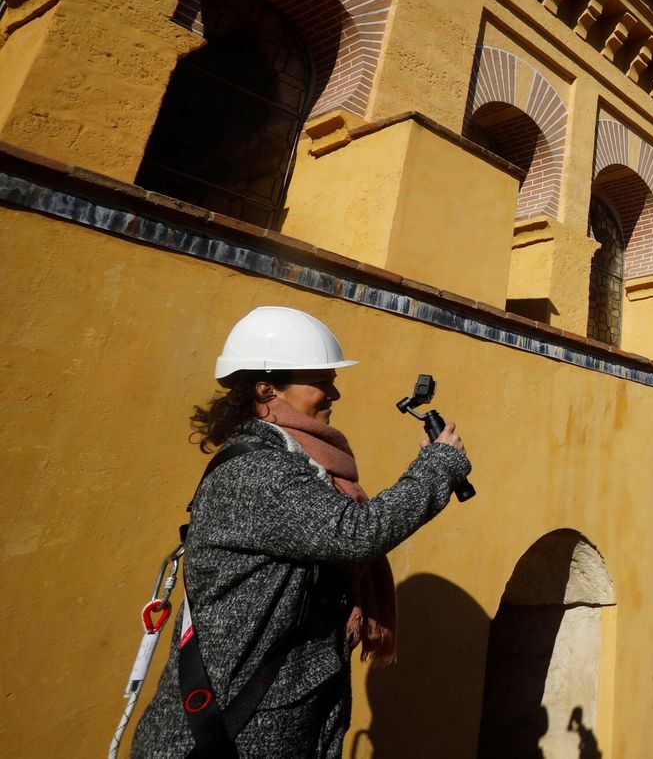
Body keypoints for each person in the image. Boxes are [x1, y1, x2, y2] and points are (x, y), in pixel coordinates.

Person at [131, 306, 471, 758]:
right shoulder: (258, 471)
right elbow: (354, 534)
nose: (335, 392)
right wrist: (437, 467)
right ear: (267, 388)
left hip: (273, 715)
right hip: (235, 730)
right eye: (321, 380)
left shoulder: (294, 465)